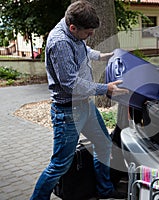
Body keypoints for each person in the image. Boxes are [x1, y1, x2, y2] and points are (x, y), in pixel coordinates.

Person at [30, 1, 128, 199]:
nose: (91, 35)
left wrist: (102, 56)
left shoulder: (72, 28)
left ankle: (104, 190)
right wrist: (105, 89)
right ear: (73, 27)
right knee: (60, 165)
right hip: (68, 112)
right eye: (88, 32)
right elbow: (71, 84)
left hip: (85, 106)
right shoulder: (60, 43)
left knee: (103, 144)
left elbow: (83, 49)